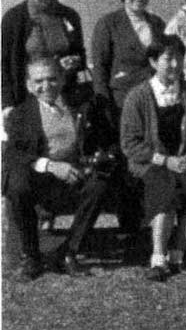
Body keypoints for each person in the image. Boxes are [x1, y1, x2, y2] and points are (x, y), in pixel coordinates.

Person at [2, 57, 114, 281]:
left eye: (52, 79)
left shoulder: (81, 105)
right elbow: (13, 154)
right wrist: (50, 166)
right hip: (40, 180)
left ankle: (68, 252)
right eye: (39, 81)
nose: (46, 86)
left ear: (62, 79)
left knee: (101, 182)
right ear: (29, 85)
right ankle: (31, 257)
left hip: (75, 175)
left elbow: (104, 139)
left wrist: (97, 158)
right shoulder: (19, 115)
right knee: (16, 183)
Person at [119, 36, 186, 282]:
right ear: (153, 61)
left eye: (179, 58)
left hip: (183, 160)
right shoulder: (138, 96)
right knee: (165, 187)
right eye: (168, 59)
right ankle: (158, 258)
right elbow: (130, 144)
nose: (174, 64)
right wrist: (165, 161)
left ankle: (178, 255)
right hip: (150, 164)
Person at [2, 0, 86, 110]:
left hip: (65, 97)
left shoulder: (70, 15)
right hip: (26, 100)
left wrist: (73, 61)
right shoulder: (13, 18)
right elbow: (4, 65)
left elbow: (80, 54)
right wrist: (7, 104)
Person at [91, 0, 167, 117]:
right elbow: (99, 70)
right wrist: (104, 108)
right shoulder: (107, 24)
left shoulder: (158, 24)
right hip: (120, 104)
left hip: (154, 102)